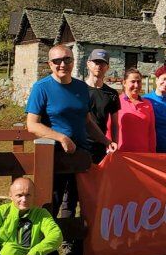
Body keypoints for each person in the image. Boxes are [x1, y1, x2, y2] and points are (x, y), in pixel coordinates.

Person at [25, 45, 115, 217]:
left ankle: (71, 242)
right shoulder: (41, 87)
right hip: (54, 156)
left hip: (80, 155)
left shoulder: (81, 88)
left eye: (67, 59)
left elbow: (87, 121)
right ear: (49, 64)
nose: (62, 64)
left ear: (73, 62)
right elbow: (32, 124)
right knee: (51, 201)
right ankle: (46, 242)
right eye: (57, 61)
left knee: (76, 200)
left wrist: (106, 141)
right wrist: (61, 138)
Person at [84, 49, 120, 165]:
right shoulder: (78, 89)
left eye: (103, 63)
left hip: (100, 144)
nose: (99, 66)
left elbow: (115, 123)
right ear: (88, 64)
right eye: (96, 62)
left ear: (107, 67)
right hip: (79, 143)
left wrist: (114, 143)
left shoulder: (112, 94)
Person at [112, 68, 157, 153]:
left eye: (139, 82)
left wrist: (152, 153)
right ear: (124, 83)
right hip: (121, 153)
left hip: (143, 154)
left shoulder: (147, 104)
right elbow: (109, 128)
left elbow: (151, 132)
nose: (136, 85)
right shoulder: (116, 102)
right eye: (133, 81)